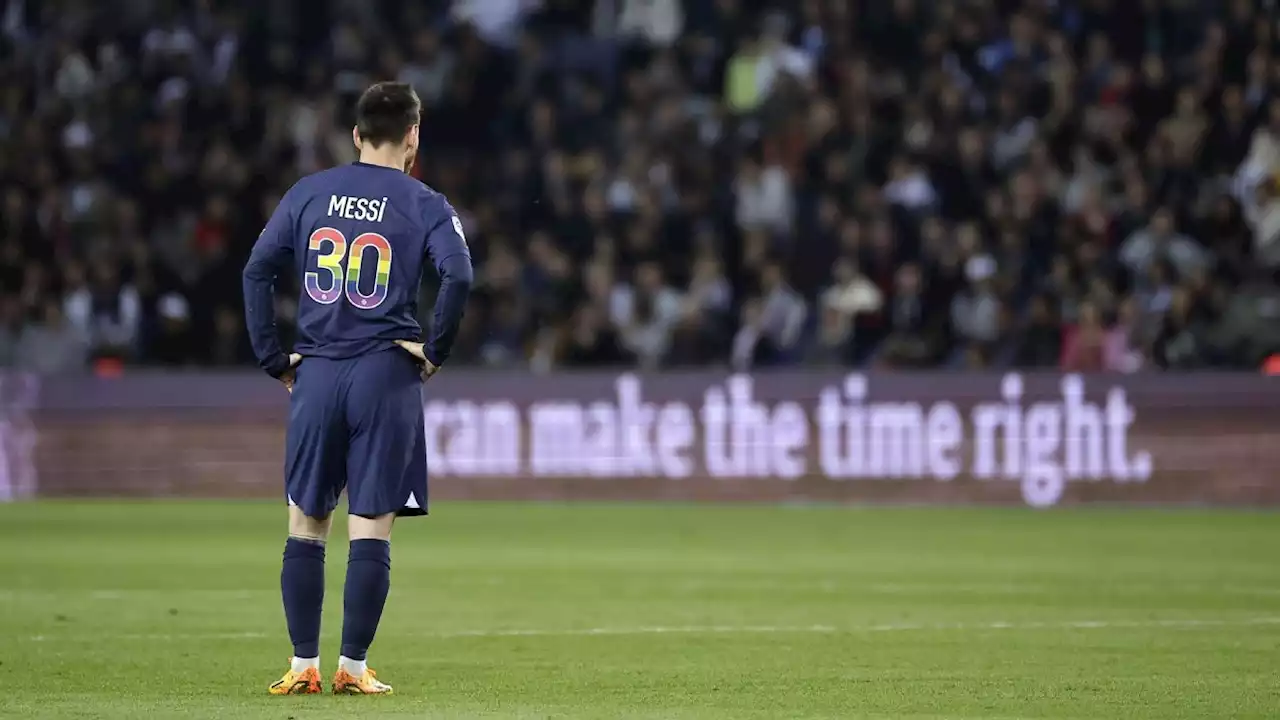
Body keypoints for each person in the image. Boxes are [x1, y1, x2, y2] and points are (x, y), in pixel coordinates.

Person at [242, 81, 474, 695]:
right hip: (385, 373)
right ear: (413, 137)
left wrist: (274, 358)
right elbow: (459, 274)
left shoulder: (308, 192)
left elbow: (256, 269)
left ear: (355, 135)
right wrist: (437, 351)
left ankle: (301, 667)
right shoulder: (424, 201)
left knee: (305, 524)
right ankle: (351, 667)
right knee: (370, 527)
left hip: (315, 372)